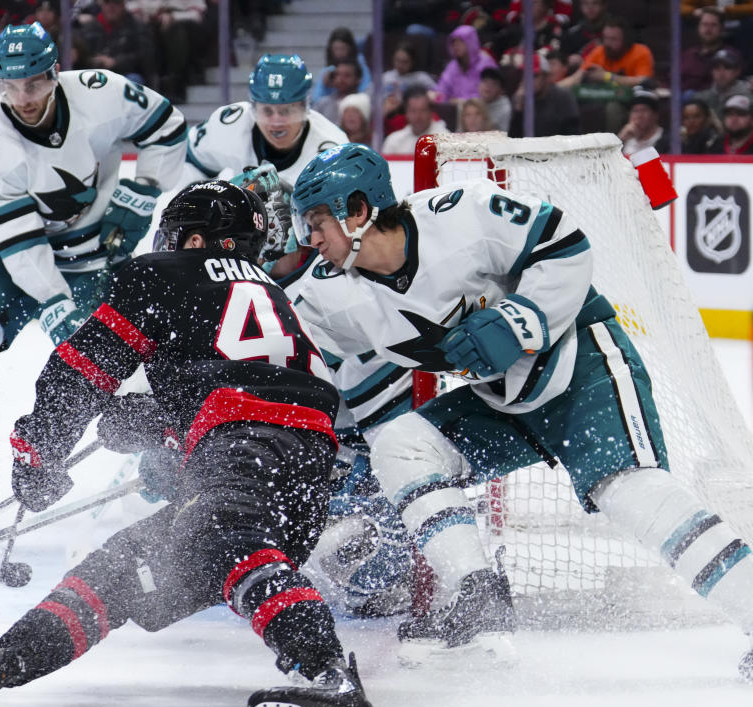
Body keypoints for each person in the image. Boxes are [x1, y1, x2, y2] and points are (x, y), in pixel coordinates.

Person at [0, 180, 374, 707]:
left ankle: (330, 676)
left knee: (222, 531)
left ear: (198, 238)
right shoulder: (268, 289)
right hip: (300, 462)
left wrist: (41, 448)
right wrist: (159, 427)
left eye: (176, 236)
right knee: (124, 567)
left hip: (246, 441)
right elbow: (253, 380)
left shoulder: (163, 272)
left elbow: (84, 367)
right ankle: (0, 663)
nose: (167, 245)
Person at [287, 142, 753, 673]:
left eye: (319, 220)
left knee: (630, 493)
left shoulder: (461, 213)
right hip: (499, 401)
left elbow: (566, 244)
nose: (312, 238)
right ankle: (477, 593)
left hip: (579, 364)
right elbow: (294, 363)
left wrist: (518, 320)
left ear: (358, 210)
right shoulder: (325, 297)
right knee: (402, 444)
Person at [0, 22, 187, 536]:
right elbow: (21, 246)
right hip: (19, 262)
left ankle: (163, 467)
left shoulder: (101, 95)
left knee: (123, 367)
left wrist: (147, 189)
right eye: (9, 86)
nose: (23, 98)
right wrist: (55, 301)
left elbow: (167, 125)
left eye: (34, 83)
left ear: (54, 73)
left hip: (97, 259)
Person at [183, 53, 348, 187]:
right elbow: (189, 159)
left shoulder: (331, 148)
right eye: (267, 111)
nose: (276, 121)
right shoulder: (230, 125)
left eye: (286, 110)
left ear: (305, 108)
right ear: (253, 108)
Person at [558, 15, 654, 90]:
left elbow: (645, 81)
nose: (608, 43)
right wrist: (553, 89)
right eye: (606, 38)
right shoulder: (600, 51)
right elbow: (577, 77)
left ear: (626, 40)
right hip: (602, 99)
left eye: (613, 39)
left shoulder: (640, 51)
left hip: (632, 102)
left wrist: (607, 76)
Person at [510, 54, 580, 137]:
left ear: (546, 77)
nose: (528, 80)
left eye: (534, 76)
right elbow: (513, 139)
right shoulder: (518, 98)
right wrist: (519, 110)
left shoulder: (563, 97)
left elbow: (573, 134)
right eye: (525, 75)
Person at [434, 24, 498, 103]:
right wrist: (438, 97)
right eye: (454, 42)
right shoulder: (453, 66)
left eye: (460, 41)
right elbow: (442, 89)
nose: (456, 45)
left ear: (471, 42)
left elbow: (489, 93)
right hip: (454, 110)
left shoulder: (486, 64)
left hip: (481, 111)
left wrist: (463, 102)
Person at [681, 7, 737, 94]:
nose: (708, 29)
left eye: (713, 25)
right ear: (698, 28)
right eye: (704, 24)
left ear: (722, 28)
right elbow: (670, 80)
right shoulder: (688, 54)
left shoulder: (731, 56)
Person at [310, 26, 372, 104]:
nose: (339, 53)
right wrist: (325, 85)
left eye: (342, 49)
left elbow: (366, 90)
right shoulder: (328, 71)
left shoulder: (361, 65)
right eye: (336, 49)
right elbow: (316, 99)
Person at [381, 86, 448, 155]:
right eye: (413, 111)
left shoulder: (446, 140)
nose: (418, 116)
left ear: (431, 111)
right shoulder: (393, 141)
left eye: (423, 110)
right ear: (406, 112)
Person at [694, 48, 753, 119]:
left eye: (727, 67)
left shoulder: (748, 96)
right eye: (716, 68)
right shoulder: (702, 98)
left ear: (737, 71)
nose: (721, 73)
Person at [618, 86, 670, 156]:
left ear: (655, 115)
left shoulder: (667, 141)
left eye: (644, 110)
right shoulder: (624, 139)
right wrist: (620, 139)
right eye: (635, 111)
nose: (639, 116)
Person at [312, 59, 365, 126]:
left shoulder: (365, 104)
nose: (340, 79)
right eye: (337, 75)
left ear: (358, 79)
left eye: (347, 75)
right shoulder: (323, 103)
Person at [477, 66, 511, 133]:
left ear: (502, 91)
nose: (488, 86)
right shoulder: (475, 103)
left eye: (494, 83)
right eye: (485, 81)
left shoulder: (505, 108)